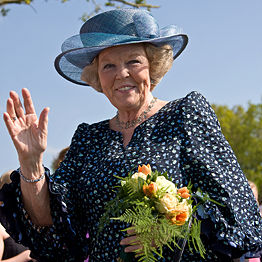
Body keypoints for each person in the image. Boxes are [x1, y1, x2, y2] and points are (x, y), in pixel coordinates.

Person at [1, 8, 262, 262]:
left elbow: (238, 210)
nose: (121, 74)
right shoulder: (88, 138)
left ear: (153, 65)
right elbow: (52, 226)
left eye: (133, 61)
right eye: (108, 66)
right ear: (97, 77)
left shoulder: (185, 114)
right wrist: (31, 161)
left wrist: (176, 229)